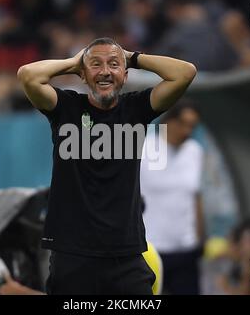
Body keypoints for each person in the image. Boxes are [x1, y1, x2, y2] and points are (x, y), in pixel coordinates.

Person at [17, 37, 196, 294]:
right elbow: (27, 75)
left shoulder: (137, 109)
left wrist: (131, 57)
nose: (105, 72)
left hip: (126, 255)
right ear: (83, 75)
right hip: (72, 254)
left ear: (124, 75)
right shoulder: (65, 107)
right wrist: (75, 62)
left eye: (113, 65)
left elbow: (185, 73)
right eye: (96, 65)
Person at [140, 101, 205, 294]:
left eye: (192, 126)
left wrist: (201, 239)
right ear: (168, 121)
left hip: (186, 249)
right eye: (183, 124)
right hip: (150, 249)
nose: (187, 131)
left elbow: (195, 197)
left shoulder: (195, 151)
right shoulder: (144, 148)